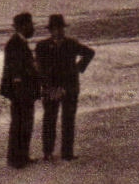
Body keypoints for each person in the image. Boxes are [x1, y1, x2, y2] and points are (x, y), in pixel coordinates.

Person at [35, 14, 95, 161]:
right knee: (49, 120)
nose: (58, 31)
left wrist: (77, 68)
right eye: (55, 29)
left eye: (60, 28)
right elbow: (39, 69)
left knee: (68, 120)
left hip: (70, 87)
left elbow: (90, 53)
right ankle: (47, 152)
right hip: (51, 89)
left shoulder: (71, 43)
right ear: (50, 30)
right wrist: (48, 87)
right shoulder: (42, 46)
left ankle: (67, 153)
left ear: (63, 29)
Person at [0, 12, 40, 168]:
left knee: (21, 123)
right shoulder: (16, 44)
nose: (32, 28)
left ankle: (19, 156)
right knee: (21, 123)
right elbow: (16, 72)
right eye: (30, 25)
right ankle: (18, 158)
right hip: (21, 91)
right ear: (23, 26)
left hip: (20, 90)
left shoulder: (17, 42)